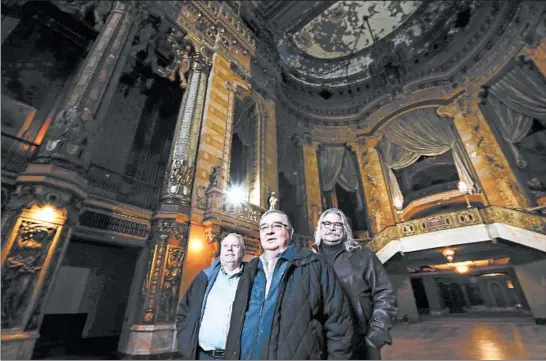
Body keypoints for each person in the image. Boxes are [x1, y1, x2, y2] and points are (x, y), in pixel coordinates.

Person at [224, 210, 354, 360]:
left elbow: (339, 324)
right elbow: (235, 323)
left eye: (277, 226)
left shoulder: (315, 265)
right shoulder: (250, 269)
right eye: (264, 227)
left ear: (290, 232)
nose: (269, 231)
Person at [313, 208, 398, 360]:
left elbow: (385, 295)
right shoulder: (310, 260)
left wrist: (375, 336)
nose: (332, 227)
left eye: (338, 224)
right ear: (319, 228)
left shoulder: (363, 256)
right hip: (321, 346)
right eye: (327, 223)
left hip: (359, 343)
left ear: (345, 230)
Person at [176, 233, 245, 360]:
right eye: (225, 246)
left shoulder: (252, 281)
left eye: (235, 245)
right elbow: (183, 311)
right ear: (221, 251)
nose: (229, 249)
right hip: (202, 355)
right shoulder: (204, 278)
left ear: (242, 251)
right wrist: (184, 337)